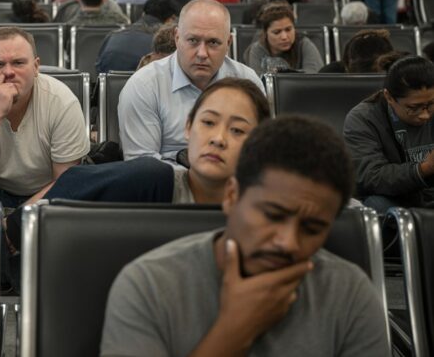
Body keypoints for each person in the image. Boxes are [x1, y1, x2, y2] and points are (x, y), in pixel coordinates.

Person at [101, 115, 390, 357]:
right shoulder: (148, 285)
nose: (288, 242)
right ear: (232, 196)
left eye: (312, 229)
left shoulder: (351, 295)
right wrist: (236, 329)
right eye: (273, 215)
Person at [0, 26, 89, 207]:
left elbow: (65, 185)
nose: (8, 72)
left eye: (18, 63)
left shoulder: (62, 102)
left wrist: (18, 218)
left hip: (46, 192)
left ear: (36, 67)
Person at [118, 0, 262, 162]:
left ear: (228, 42)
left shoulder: (248, 83)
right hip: (169, 187)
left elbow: (259, 153)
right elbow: (141, 166)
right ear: (177, 38)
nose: (202, 53)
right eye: (193, 40)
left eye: (213, 42)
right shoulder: (144, 86)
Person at [344, 55, 434, 212]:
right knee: (377, 205)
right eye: (414, 108)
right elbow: (371, 177)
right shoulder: (364, 118)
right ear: (389, 97)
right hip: (396, 199)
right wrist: (423, 168)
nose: (425, 115)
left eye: (431, 105)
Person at [96, 0, 179, 73]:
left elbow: (98, 68)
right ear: (171, 20)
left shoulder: (112, 37)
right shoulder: (165, 49)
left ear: (143, 14)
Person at [242, 2, 324, 75]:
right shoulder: (257, 49)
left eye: (288, 29)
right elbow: (257, 83)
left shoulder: (304, 44)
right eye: (277, 32)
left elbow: (313, 76)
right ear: (265, 33)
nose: (284, 37)